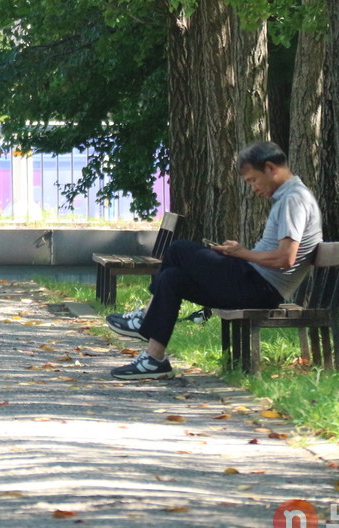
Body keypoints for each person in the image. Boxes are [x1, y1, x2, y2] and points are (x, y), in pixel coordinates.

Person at [105, 141, 322, 379]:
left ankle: (145, 317)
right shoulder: (289, 197)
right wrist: (237, 253)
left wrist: (242, 253)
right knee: (172, 277)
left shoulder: (293, 199)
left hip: (260, 287)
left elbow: (286, 258)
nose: (253, 188)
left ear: (270, 169)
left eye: (252, 180)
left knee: (178, 249)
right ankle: (154, 359)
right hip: (254, 281)